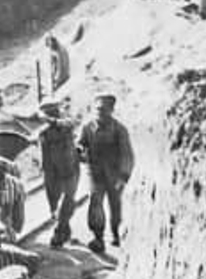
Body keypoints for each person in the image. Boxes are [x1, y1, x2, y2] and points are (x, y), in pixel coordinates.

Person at [78, 90, 133, 253]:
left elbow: (127, 154)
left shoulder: (119, 129)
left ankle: (115, 233)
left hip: (114, 174)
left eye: (103, 110)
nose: (100, 113)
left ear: (111, 110)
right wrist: (79, 150)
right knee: (95, 204)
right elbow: (80, 143)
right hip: (95, 173)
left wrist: (123, 176)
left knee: (115, 205)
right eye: (97, 110)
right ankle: (98, 237)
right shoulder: (88, 127)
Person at [35, 95, 81, 247]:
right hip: (52, 169)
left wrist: (48, 120)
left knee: (66, 200)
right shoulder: (43, 129)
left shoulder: (64, 123)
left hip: (67, 168)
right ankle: (64, 231)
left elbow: (71, 123)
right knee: (56, 202)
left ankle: (59, 233)